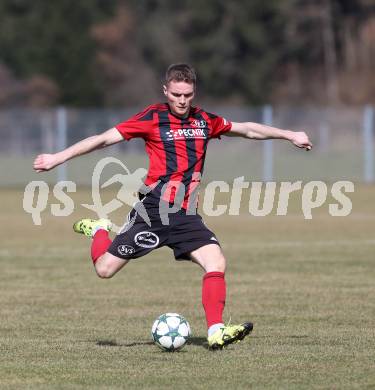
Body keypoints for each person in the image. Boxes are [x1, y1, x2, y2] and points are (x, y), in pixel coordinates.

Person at [34, 63, 312, 350]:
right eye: (176, 94)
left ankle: (216, 331)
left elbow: (247, 130)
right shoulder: (152, 117)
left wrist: (289, 134)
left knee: (216, 262)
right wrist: (57, 158)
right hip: (152, 211)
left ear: (194, 93)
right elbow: (103, 138)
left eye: (188, 95)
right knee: (104, 269)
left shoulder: (204, 120)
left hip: (186, 215)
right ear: (166, 90)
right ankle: (100, 230)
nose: (182, 101)